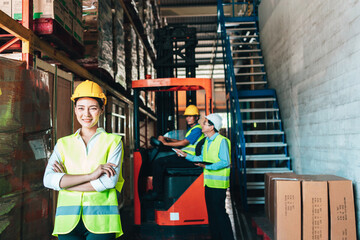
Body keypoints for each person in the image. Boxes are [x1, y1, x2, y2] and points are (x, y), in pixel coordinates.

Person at [43, 80, 124, 240]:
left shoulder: (113, 142)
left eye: (93, 108)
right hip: (67, 222)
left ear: (101, 109)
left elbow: (108, 183)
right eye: (81, 108)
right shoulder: (63, 143)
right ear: (75, 109)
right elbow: (48, 180)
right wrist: (91, 176)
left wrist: (65, 184)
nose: (86, 114)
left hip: (101, 220)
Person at [174, 113, 235, 240]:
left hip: (219, 184)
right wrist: (186, 155)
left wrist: (207, 167)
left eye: (205, 122)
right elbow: (201, 158)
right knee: (212, 214)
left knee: (220, 214)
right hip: (208, 183)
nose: (202, 124)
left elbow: (225, 162)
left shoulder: (222, 141)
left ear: (212, 127)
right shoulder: (207, 141)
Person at [144, 105, 204, 200]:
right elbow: (184, 141)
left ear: (196, 117)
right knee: (162, 161)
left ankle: (157, 193)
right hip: (186, 156)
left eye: (190, 116)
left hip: (190, 159)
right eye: (186, 116)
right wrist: (168, 139)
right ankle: (159, 191)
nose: (187, 118)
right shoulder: (192, 129)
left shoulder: (197, 129)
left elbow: (184, 142)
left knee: (158, 163)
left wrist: (165, 143)